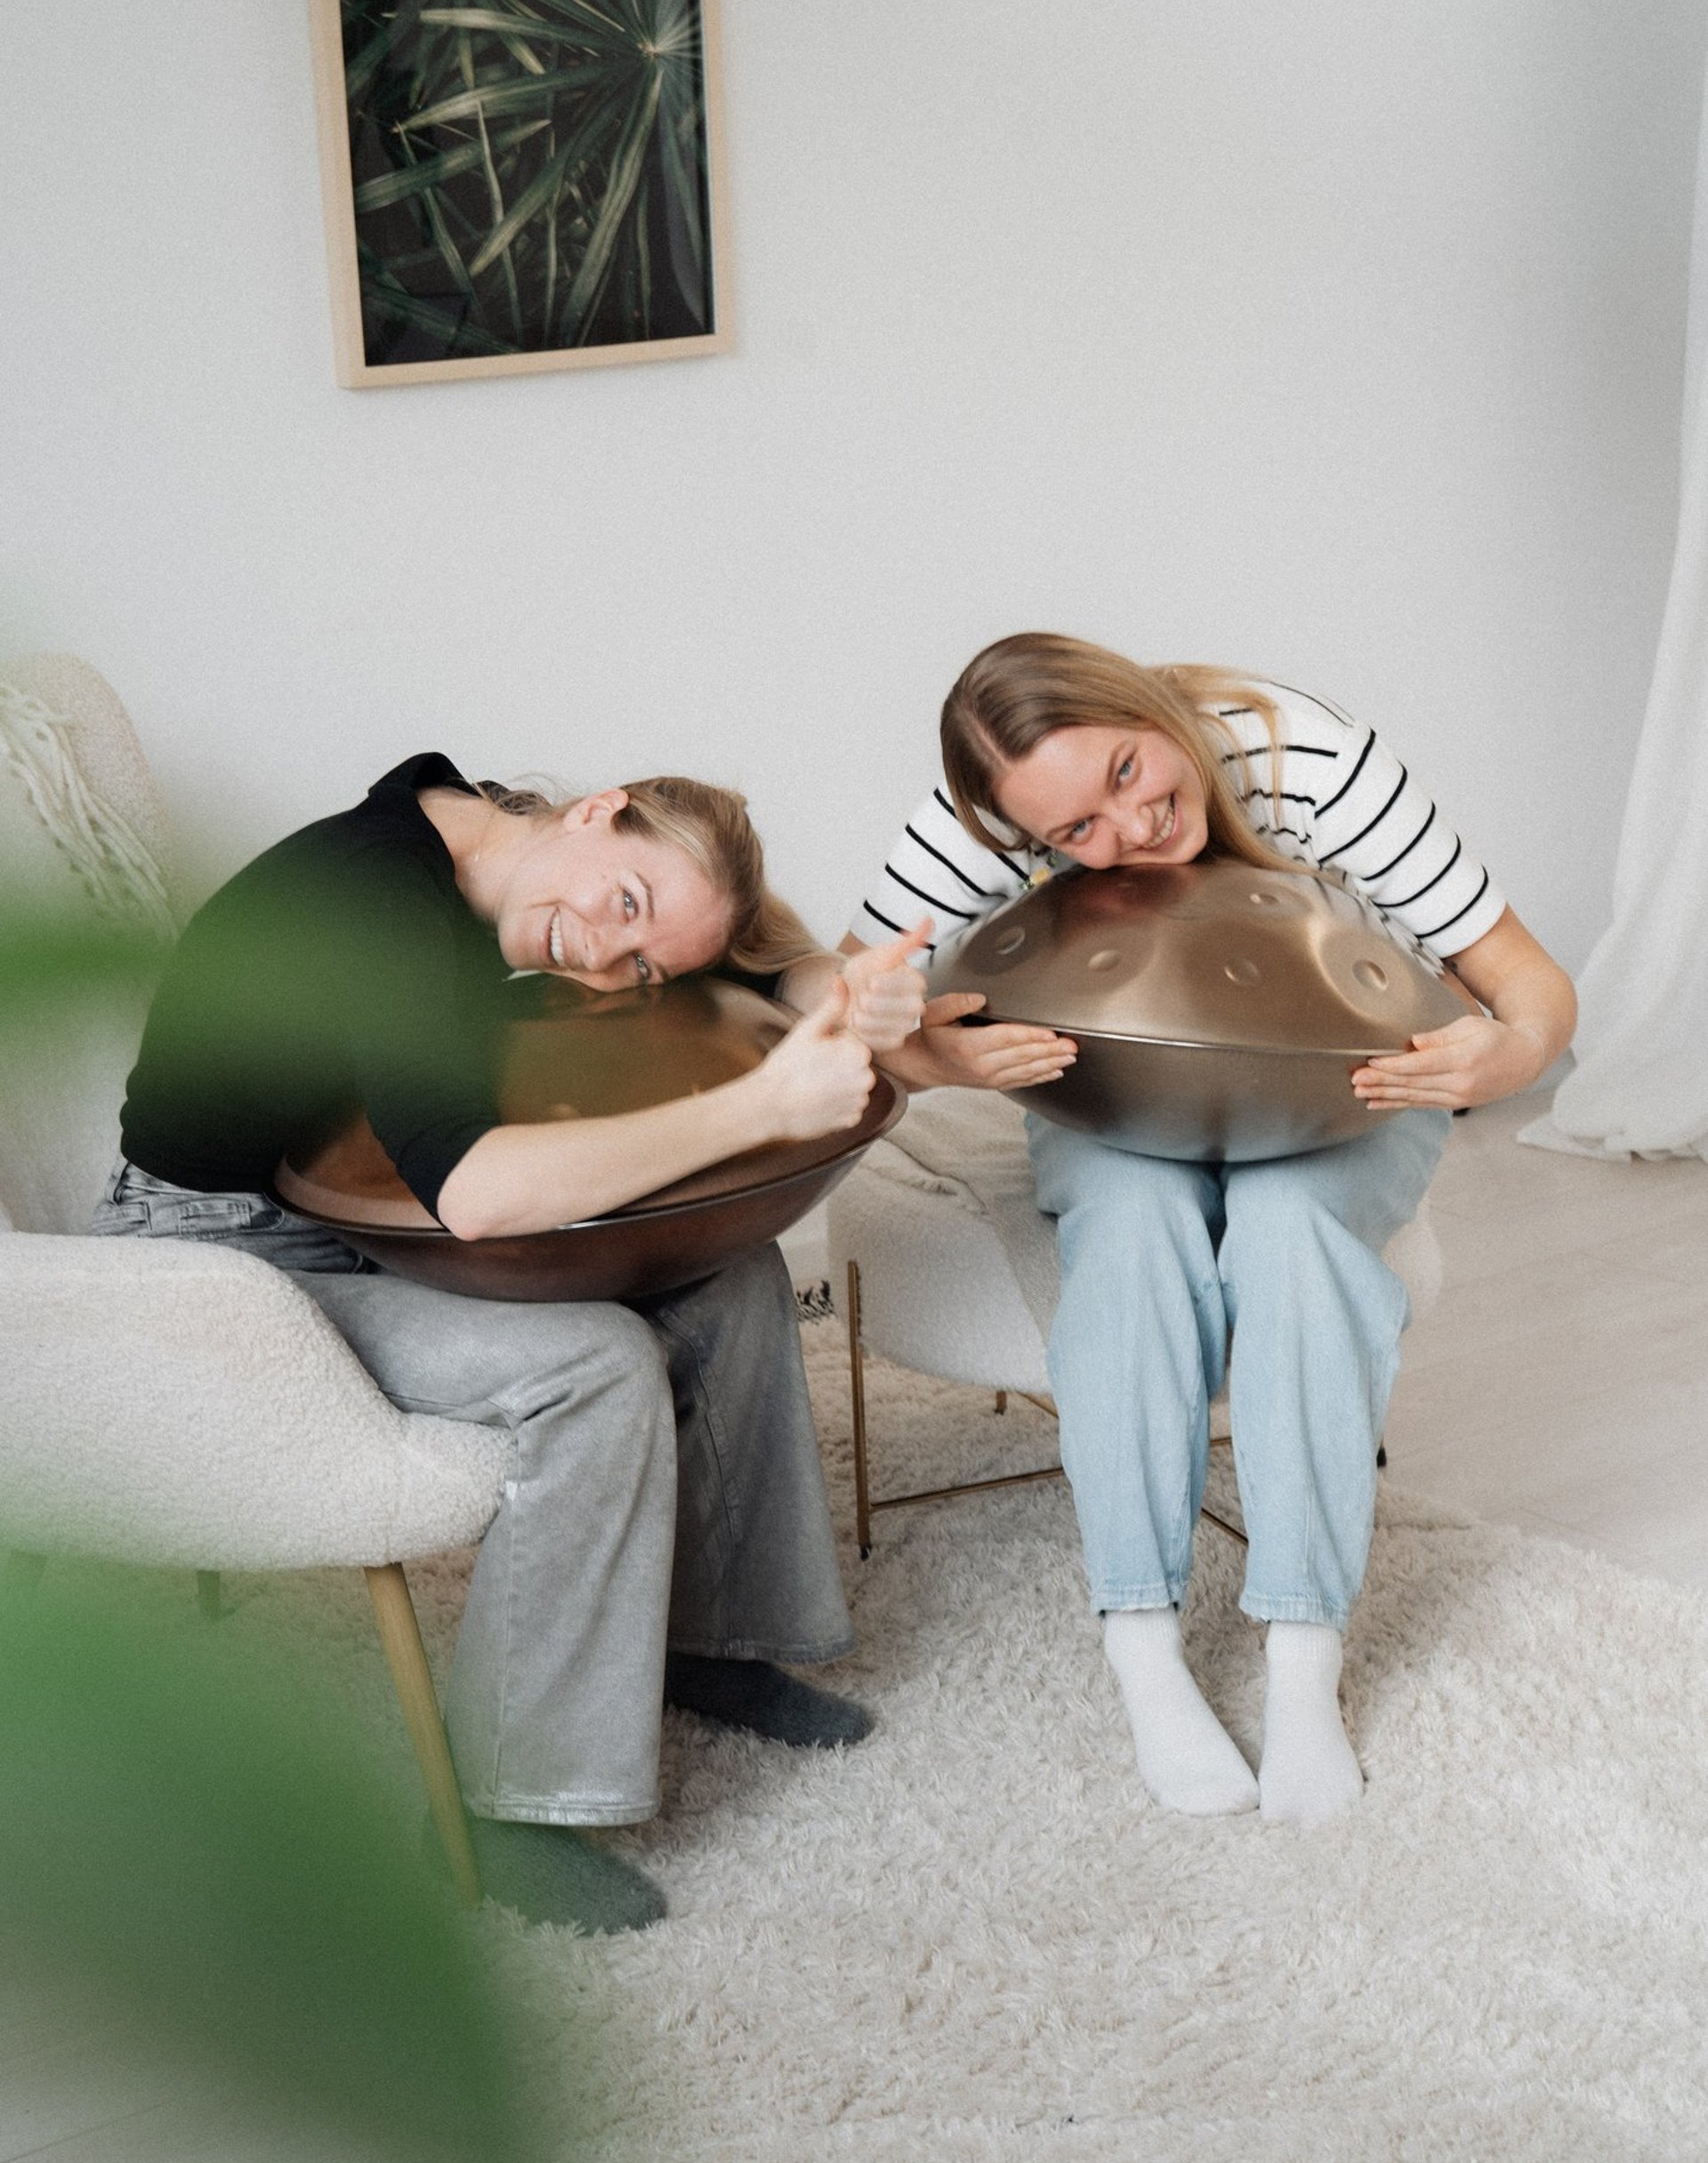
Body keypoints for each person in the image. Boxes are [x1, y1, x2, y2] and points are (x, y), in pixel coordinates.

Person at [94, 751, 929, 1931]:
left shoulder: (489, 845)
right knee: (592, 1367)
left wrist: (837, 987)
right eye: (623, 907)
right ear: (598, 812)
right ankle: (504, 1812)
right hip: (221, 1261)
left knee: (733, 1278)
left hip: (358, 1208)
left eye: (639, 961)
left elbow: (741, 965)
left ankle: (710, 1642)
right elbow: (478, 1198)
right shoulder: (376, 899)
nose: (600, 960)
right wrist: (758, 1109)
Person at [843, 635, 1576, 1826]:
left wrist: (1506, 1053)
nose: (1126, 834)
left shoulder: (1307, 754)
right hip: (1119, 1082)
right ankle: (1144, 1650)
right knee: (1132, 1233)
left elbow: (1535, 990)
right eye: (1074, 834)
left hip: (1351, 1075)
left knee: (1292, 1233)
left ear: (1150, 711)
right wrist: (940, 1055)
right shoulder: (975, 822)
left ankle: (1302, 1664)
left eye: (1129, 774)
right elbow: (845, 1010)